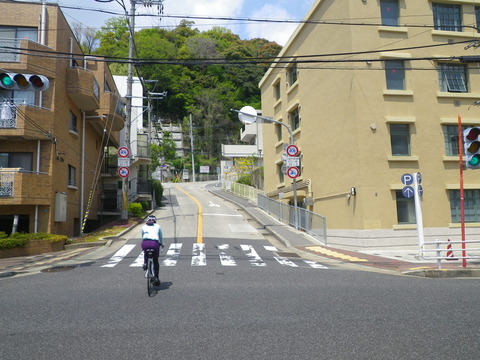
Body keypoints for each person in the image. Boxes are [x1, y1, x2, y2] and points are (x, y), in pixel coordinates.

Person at [141, 215, 163, 286]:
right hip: (154, 243)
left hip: (145, 243)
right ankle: (156, 277)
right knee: (155, 261)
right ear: (155, 221)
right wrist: (162, 243)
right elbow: (160, 237)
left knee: (146, 252)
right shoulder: (158, 226)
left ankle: (145, 263)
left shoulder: (143, 227)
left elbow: (142, 236)